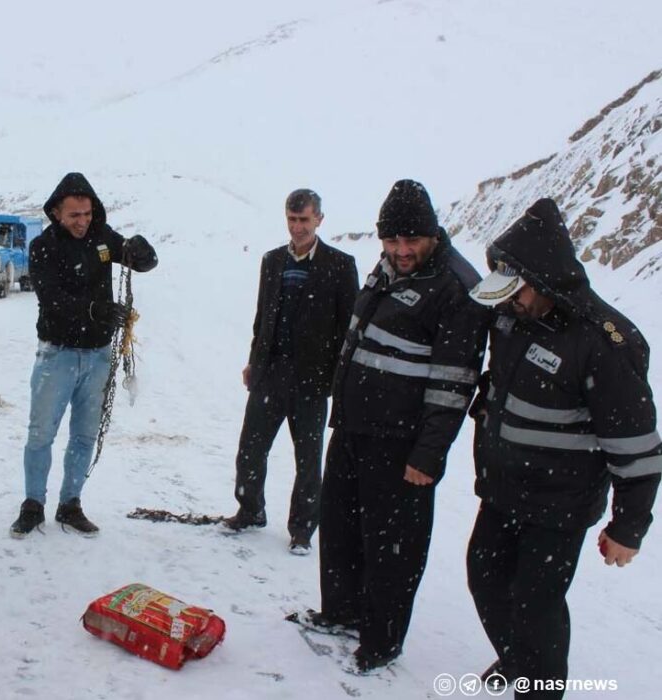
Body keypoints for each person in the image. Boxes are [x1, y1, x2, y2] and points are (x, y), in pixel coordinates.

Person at [465, 198, 661, 699]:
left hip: (559, 505)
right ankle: (519, 662)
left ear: (545, 279)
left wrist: (628, 526)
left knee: (537, 604)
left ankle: (540, 688)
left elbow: (636, 446)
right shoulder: (512, 317)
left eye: (518, 291)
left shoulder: (603, 342)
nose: (510, 301)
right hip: (505, 490)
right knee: (484, 576)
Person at [310, 179, 489, 672]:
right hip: (355, 426)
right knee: (343, 526)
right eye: (391, 240)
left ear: (431, 235)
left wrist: (428, 455)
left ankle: (382, 639)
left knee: (392, 546)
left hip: (401, 442)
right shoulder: (388, 267)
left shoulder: (456, 288)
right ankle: (341, 611)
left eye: (410, 240)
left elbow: (454, 384)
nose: (401, 249)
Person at [10, 172, 158, 538]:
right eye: (74, 215)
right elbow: (51, 298)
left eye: (87, 214)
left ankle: (70, 503)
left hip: (97, 357)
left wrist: (143, 252)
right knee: (41, 433)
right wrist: (95, 310)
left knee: (84, 436)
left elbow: (140, 261)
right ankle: (33, 504)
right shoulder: (43, 247)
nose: (82, 222)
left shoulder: (103, 240)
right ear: (57, 212)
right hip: (56, 356)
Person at [222, 189, 358, 554]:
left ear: (319, 220)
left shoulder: (340, 265)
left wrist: (336, 379)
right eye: (292, 220)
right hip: (270, 373)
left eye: (304, 220)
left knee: (308, 459)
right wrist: (254, 361)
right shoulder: (272, 261)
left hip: (312, 381)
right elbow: (262, 318)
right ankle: (250, 510)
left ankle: (302, 529)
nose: (297, 227)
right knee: (250, 449)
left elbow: (349, 329)